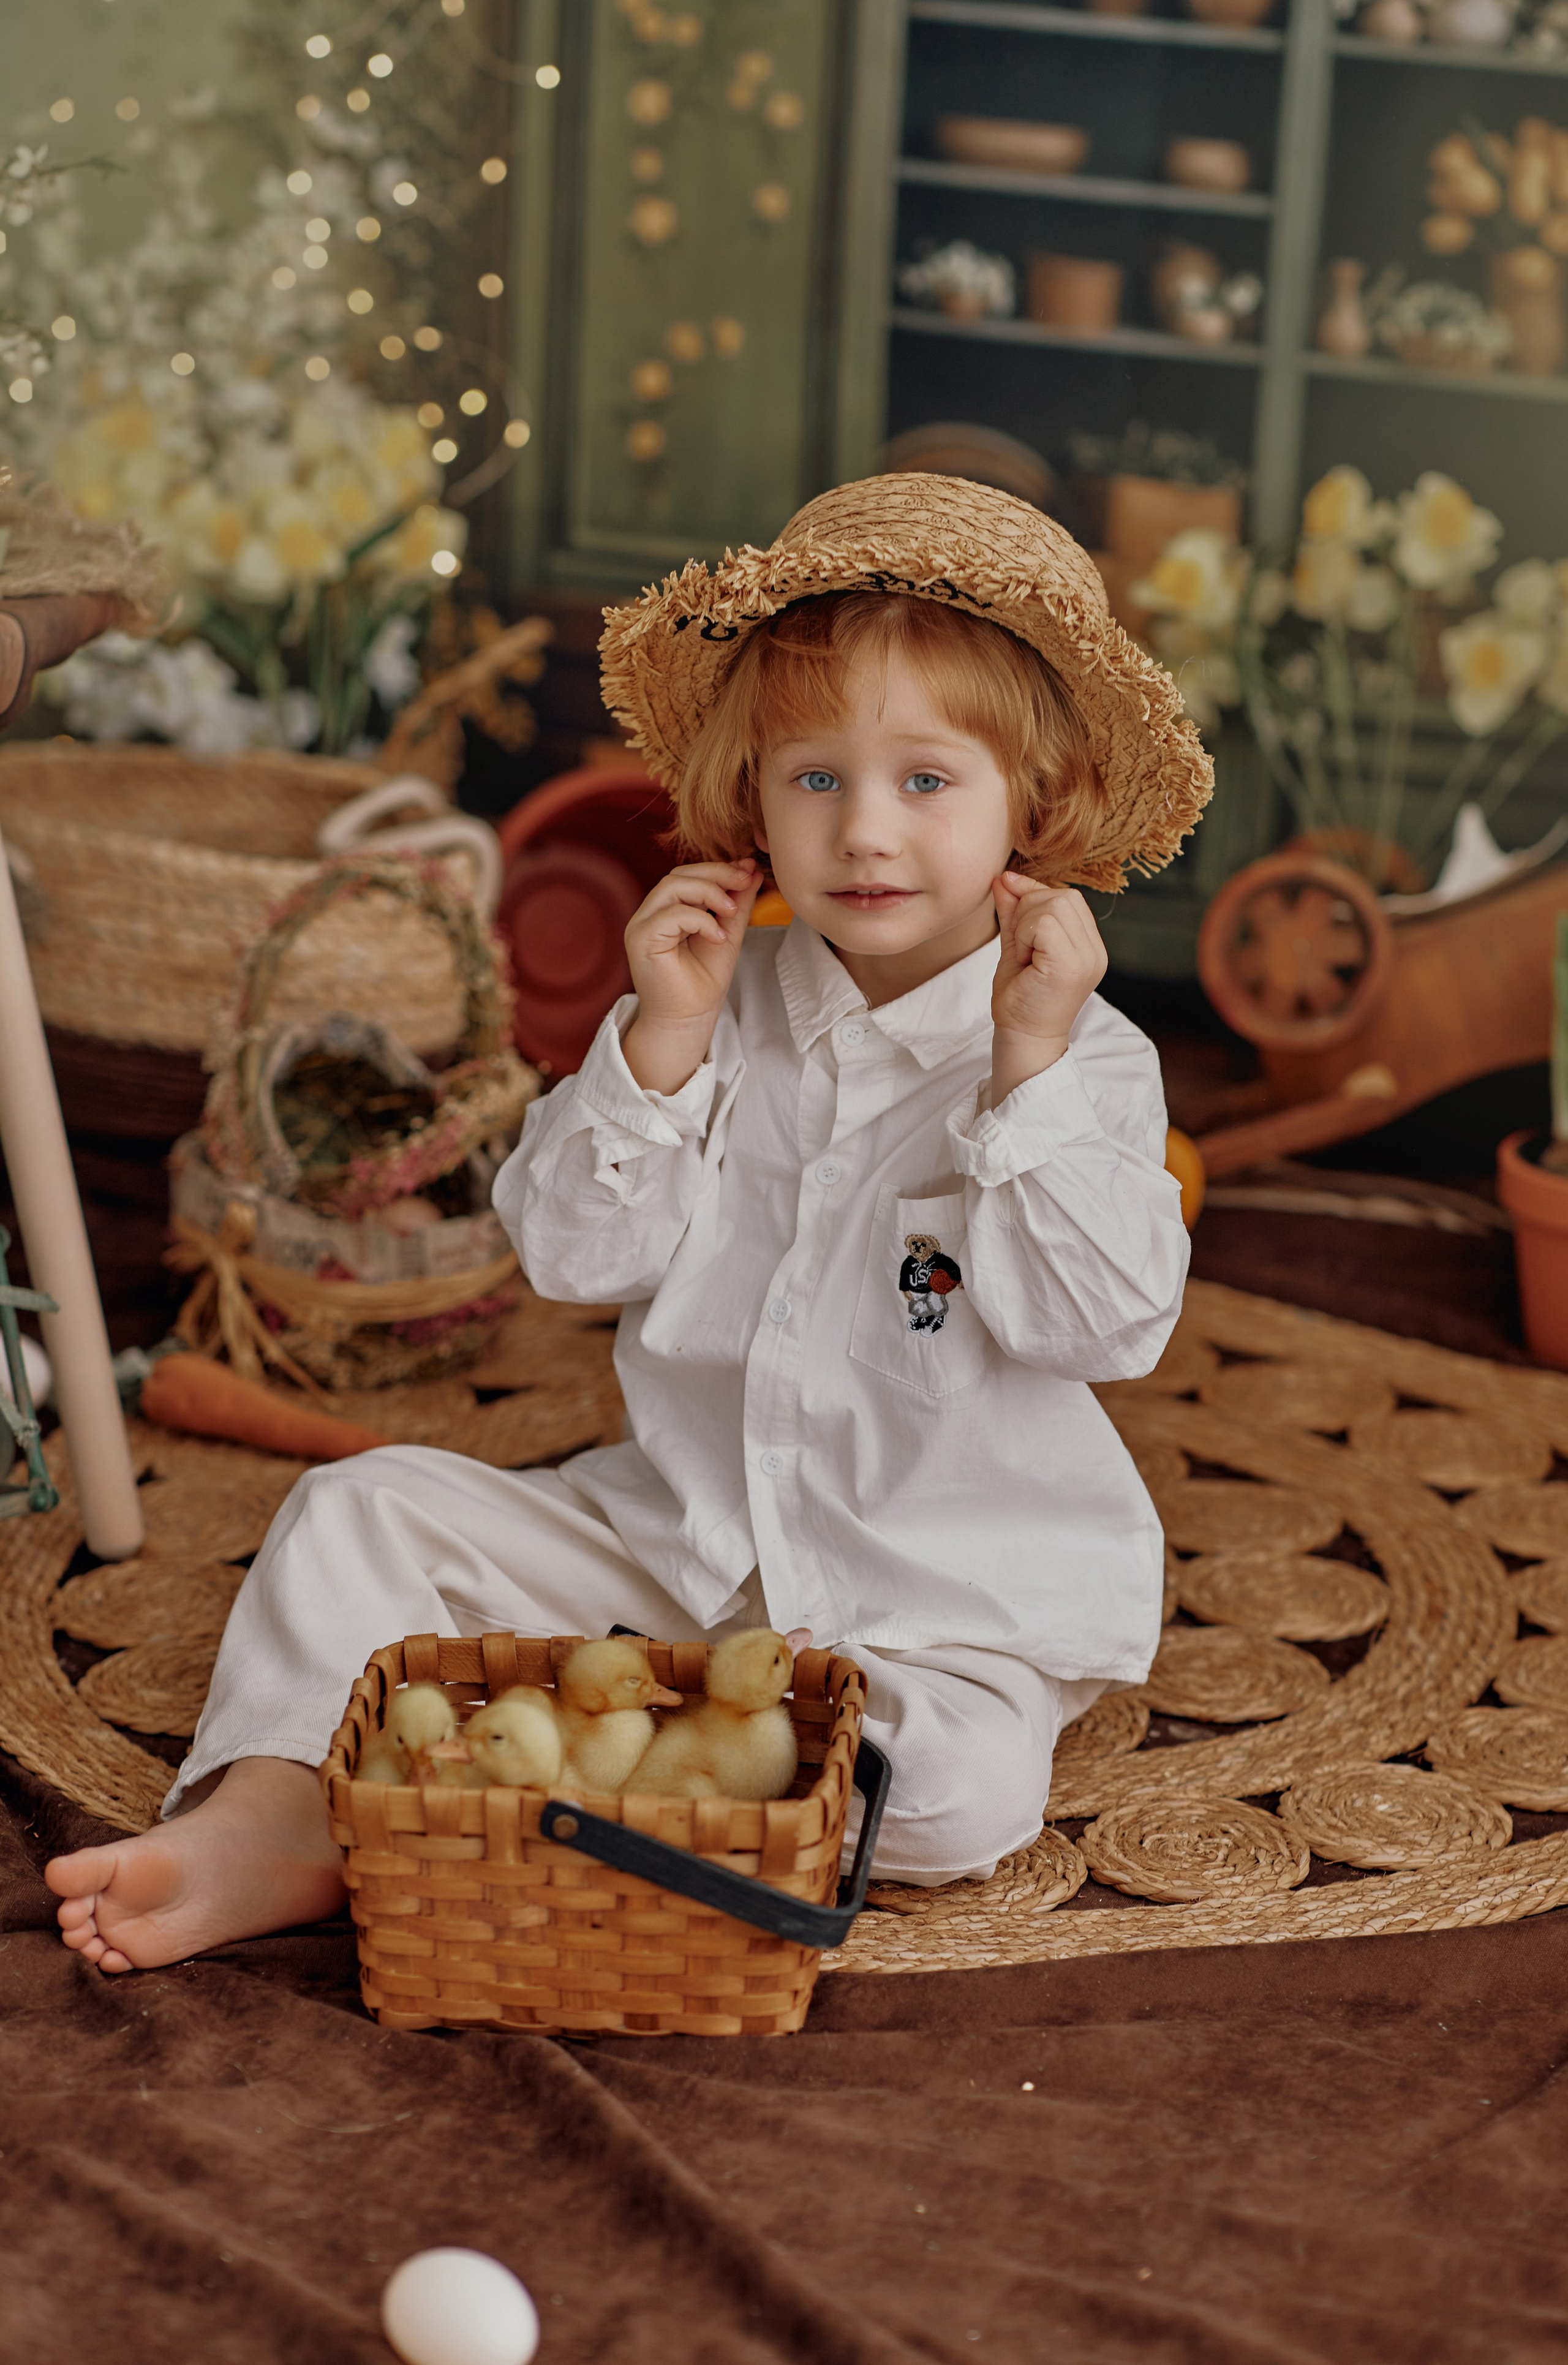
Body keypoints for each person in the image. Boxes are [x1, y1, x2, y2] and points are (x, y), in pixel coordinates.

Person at [46, 472, 1210, 1972]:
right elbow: (572, 1258)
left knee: (957, 1791)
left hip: (932, 1605)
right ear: (752, 797)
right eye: (813, 778)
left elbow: (1099, 1327)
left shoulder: (1078, 1056)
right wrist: (656, 1045)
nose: (863, 831)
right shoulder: (710, 1005)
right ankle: (279, 1811)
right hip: (682, 1546)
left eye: (926, 781)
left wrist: (1029, 1072)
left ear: (1030, 812)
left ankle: (568, 1767)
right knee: (362, 1507)